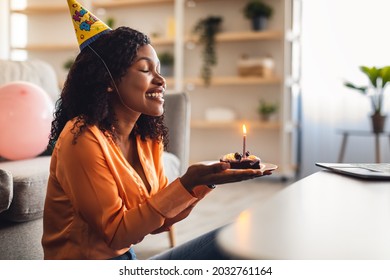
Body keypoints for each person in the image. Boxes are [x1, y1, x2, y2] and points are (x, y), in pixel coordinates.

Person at [41, 0, 272, 260]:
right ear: (108, 80)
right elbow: (117, 234)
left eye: (159, 70)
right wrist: (187, 182)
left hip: (128, 260)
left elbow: (161, 223)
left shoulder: (146, 138)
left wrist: (203, 182)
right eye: (145, 70)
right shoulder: (81, 138)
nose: (161, 81)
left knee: (234, 238)